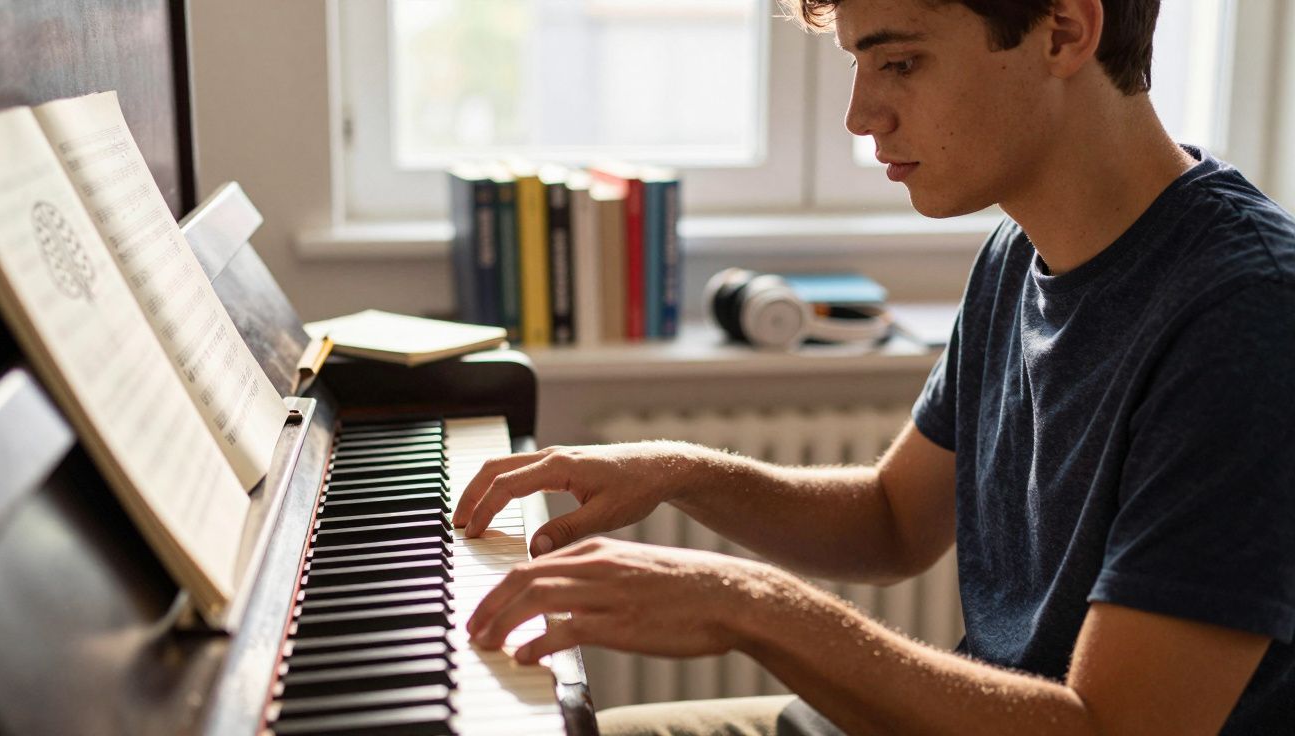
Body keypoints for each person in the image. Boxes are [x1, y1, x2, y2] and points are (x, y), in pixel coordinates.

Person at [453, 0, 1295, 732]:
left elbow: (1108, 731)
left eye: (900, 61)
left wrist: (748, 607)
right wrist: (680, 471)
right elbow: (893, 520)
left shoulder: (1248, 315)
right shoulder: (1017, 252)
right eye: (861, 64)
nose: (861, 118)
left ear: (1064, 31)